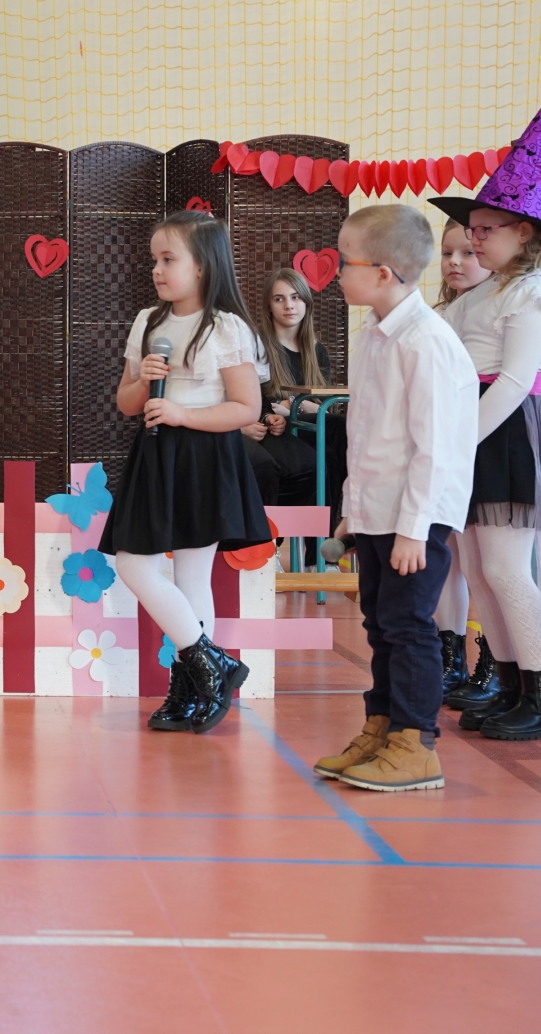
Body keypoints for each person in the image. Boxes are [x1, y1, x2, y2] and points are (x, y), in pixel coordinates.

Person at [430, 84, 541, 741]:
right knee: (477, 569)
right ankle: (506, 681)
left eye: (485, 230)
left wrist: (459, 441)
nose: (473, 240)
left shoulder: (531, 292)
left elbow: (515, 381)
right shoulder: (481, 293)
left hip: (505, 430)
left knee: (504, 567)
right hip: (473, 427)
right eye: (470, 231)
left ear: (523, 232)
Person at [311, 205, 477, 791]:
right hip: (379, 508)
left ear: (383, 273)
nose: (336, 272)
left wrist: (414, 528)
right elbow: (366, 436)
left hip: (415, 515)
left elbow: (435, 446)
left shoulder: (425, 341)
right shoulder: (374, 336)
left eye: (344, 261)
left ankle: (415, 743)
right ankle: (382, 726)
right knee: (380, 623)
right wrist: (352, 511)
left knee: (408, 624)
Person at [99, 210, 269, 736]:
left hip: (205, 455)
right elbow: (127, 402)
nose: (157, 269)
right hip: (156, 452)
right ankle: (209, 663)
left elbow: (246, 408)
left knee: (193, 576)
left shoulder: (226, 327)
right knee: (136, 565)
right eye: (155, 259)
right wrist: (144, 381)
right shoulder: (147, 323)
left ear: (203, 266)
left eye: (168, 259)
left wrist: (182, 414)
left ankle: (191, 686)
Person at [433, 219, 498, 700]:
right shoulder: (437, 316)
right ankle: (450, 657)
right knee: (448, 557)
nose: (455, 262)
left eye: (467, 253)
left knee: (489, 563)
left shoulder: (498, 314)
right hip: (443, 444)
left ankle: (496, 660)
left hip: (487, 442)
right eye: (447, 253)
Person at [242, 268, 335, 508]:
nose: (289, 305)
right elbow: (262, 403)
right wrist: (289, 408)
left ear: (306, 302)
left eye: (296, 297)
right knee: (318, 459)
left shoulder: (317, 351)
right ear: (269, 306)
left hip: (307, 427)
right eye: (279, 299)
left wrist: (290, 404)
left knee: (338, 438)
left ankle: (333, 526)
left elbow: (325, 407)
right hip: (272, 431)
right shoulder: (256, 346)